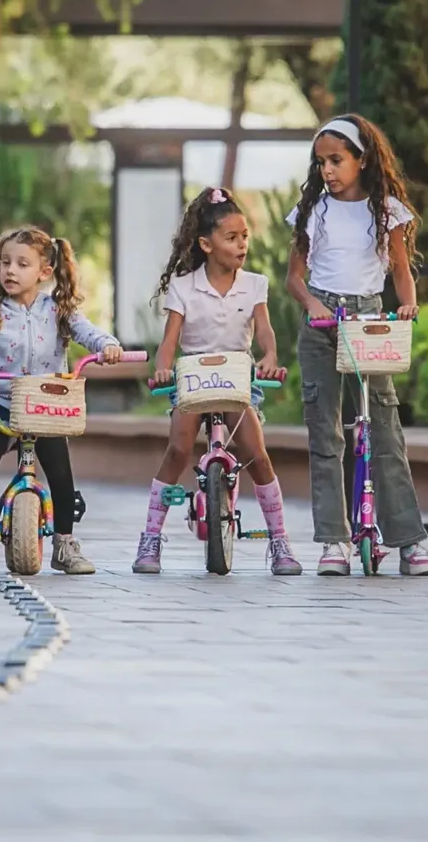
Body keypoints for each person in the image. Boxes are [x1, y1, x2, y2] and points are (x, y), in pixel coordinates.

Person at [286, 115, 428, 577]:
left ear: (363, 159)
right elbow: (294, 278)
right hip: (322, 322)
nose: (328, 170)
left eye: (337, 160)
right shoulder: (313, 210)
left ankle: (409, 540)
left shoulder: (386, 209)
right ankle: (334, 541)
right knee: (326, 434)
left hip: (369, 321)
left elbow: (400, 270)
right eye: (321, 162)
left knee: (384, 429)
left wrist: (408, 304)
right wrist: (314, 305)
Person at [0, 227, 122, 576]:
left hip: (47, 406)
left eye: (22, 264)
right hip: (3, 405)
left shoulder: (59, 310)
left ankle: (64, 545)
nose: (10, 270)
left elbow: (88, 332)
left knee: (62, 478)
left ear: (44, 272)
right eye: (5, 262)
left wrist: (107, 346)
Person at [132, 187, 302, 577]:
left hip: (237, 375)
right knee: (178, 448)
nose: (242, 244)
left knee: (256, 454)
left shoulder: (254, 284)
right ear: (206, 245)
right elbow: (170, 340)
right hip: (194, 375)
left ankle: (280, 541)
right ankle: (151, 537)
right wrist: (163, 368)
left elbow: (264, 330)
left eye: (245, 236)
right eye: (231, 237)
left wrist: (269, 357)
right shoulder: (184, 286)